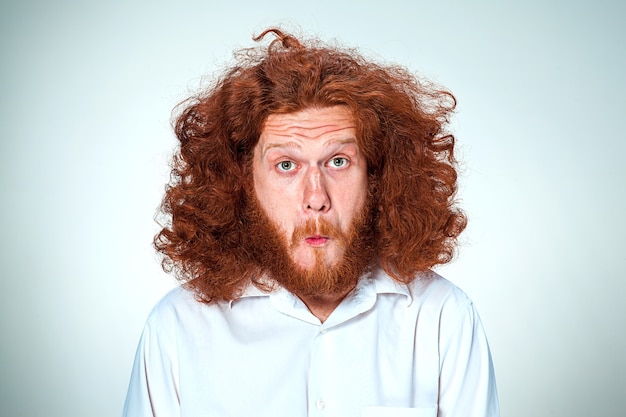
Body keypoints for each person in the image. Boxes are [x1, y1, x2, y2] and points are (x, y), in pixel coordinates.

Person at [123, 28, 500, 417]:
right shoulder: (176, 329)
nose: (316, 199)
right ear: (242, 180)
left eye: (338, 161)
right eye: (286, 165)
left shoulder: (442, 318)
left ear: (377, 175)